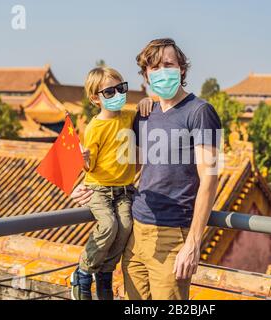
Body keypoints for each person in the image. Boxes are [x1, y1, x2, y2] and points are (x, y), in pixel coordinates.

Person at [72, 38, 221, 300]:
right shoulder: (144, 114)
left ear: (182, 69)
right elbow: (127, 163)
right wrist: (92, 185)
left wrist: (193, 243)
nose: (162, 71)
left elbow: (209, 180)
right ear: (146, 75)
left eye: (168, 64)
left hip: (172, 233)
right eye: (154, 67)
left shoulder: (200, 112)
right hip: (136, 230)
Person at [70, 67, 152, 300]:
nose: (117, 94)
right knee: (108, 226)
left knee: (125, 227)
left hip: (125, 189)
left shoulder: (128, 117)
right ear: (95, 98)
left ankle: (105, 274)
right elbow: (91, 165)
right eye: (109, 91)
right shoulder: (95, 127)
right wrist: (84, 160)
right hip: (100, 188)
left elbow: (145, 114)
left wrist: (146, 100)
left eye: (121, 88)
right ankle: (83, 272)